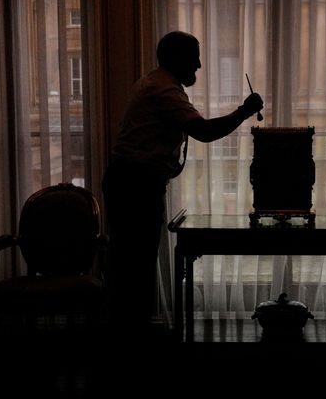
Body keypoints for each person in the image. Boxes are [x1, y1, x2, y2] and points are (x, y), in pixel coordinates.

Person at [102, 31, 263, 334]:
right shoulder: (163, 91)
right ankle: (127, 340)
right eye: (194, 58)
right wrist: (244, 111)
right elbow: (203, 131)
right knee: (135, 267)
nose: (199, 66)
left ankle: (126, 340)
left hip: (130, 182)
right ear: (176, 58)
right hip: (135, 187)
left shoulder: (154, 82)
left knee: (131, 265)